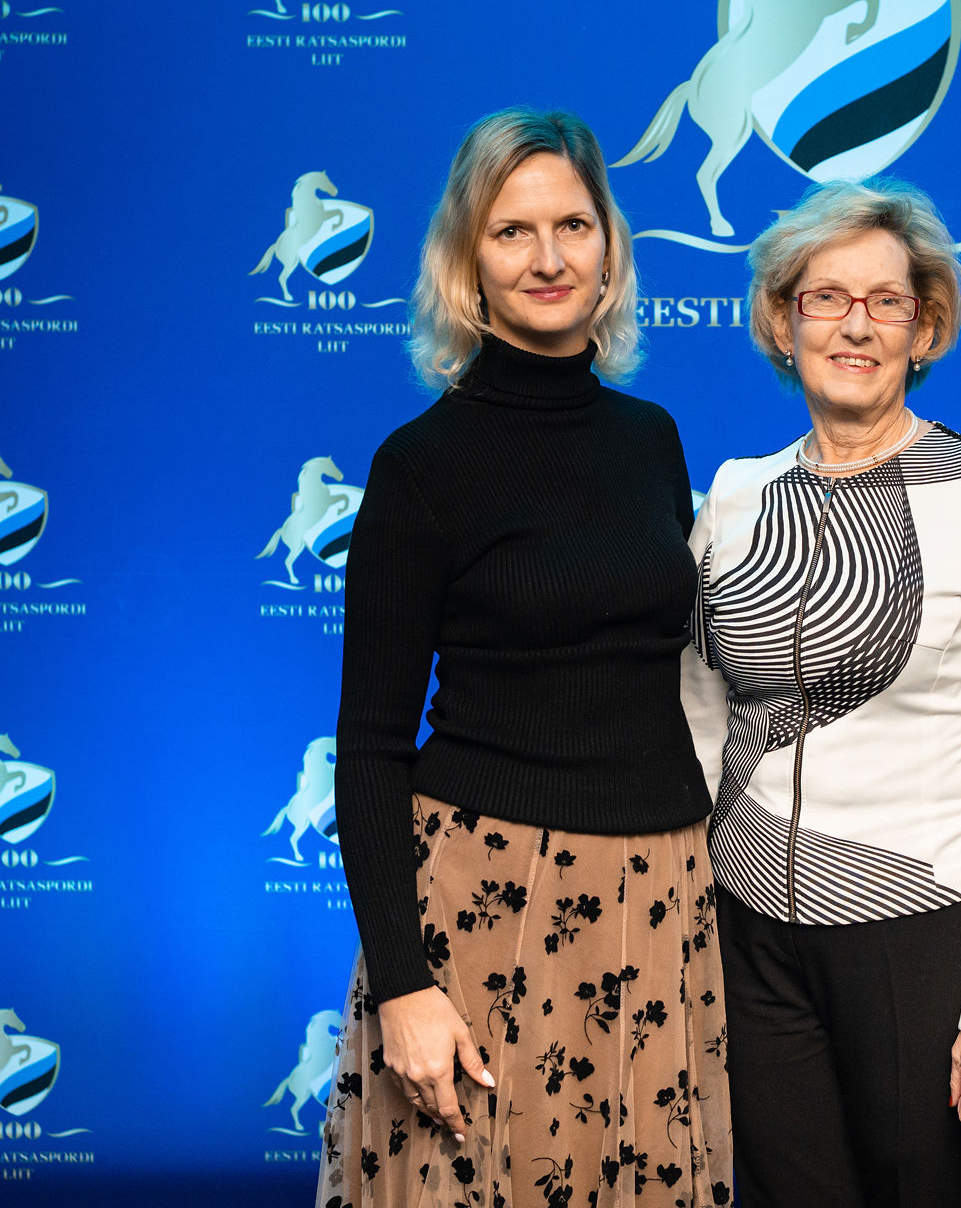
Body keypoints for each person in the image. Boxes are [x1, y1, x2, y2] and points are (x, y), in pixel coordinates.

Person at [317, 108, 731, 1208]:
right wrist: (402, 985)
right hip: (485, 900)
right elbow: (369, 746)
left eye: (572, 226)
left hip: (660, 889)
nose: (548, 258)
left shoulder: (651, 439)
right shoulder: (420, 466)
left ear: (609, 247)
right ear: (468, 262)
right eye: (512, 232)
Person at [679, 178, 961, 1208]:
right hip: (748, 933)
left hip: (920, 937)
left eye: (886, 301)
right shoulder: (733, 493)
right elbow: (700, 719)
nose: (855, 325)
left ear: (924, 327)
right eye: (825, 297)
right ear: (782, 320)